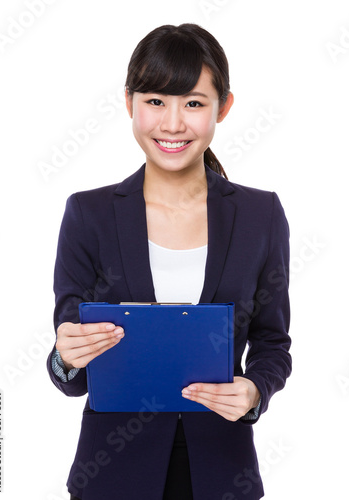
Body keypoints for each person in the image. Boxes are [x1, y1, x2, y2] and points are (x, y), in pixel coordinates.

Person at [47, 23, 291, 500]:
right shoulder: (89, 213)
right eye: (156, 101)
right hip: (111, 476)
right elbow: (67, 371)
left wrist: (255, 392)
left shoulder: (261, 214)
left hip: (223, 473)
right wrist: (66, 357)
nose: (173, 124)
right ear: (129, 104)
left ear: (223, 107)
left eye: (194, 103)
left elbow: (272, 342)